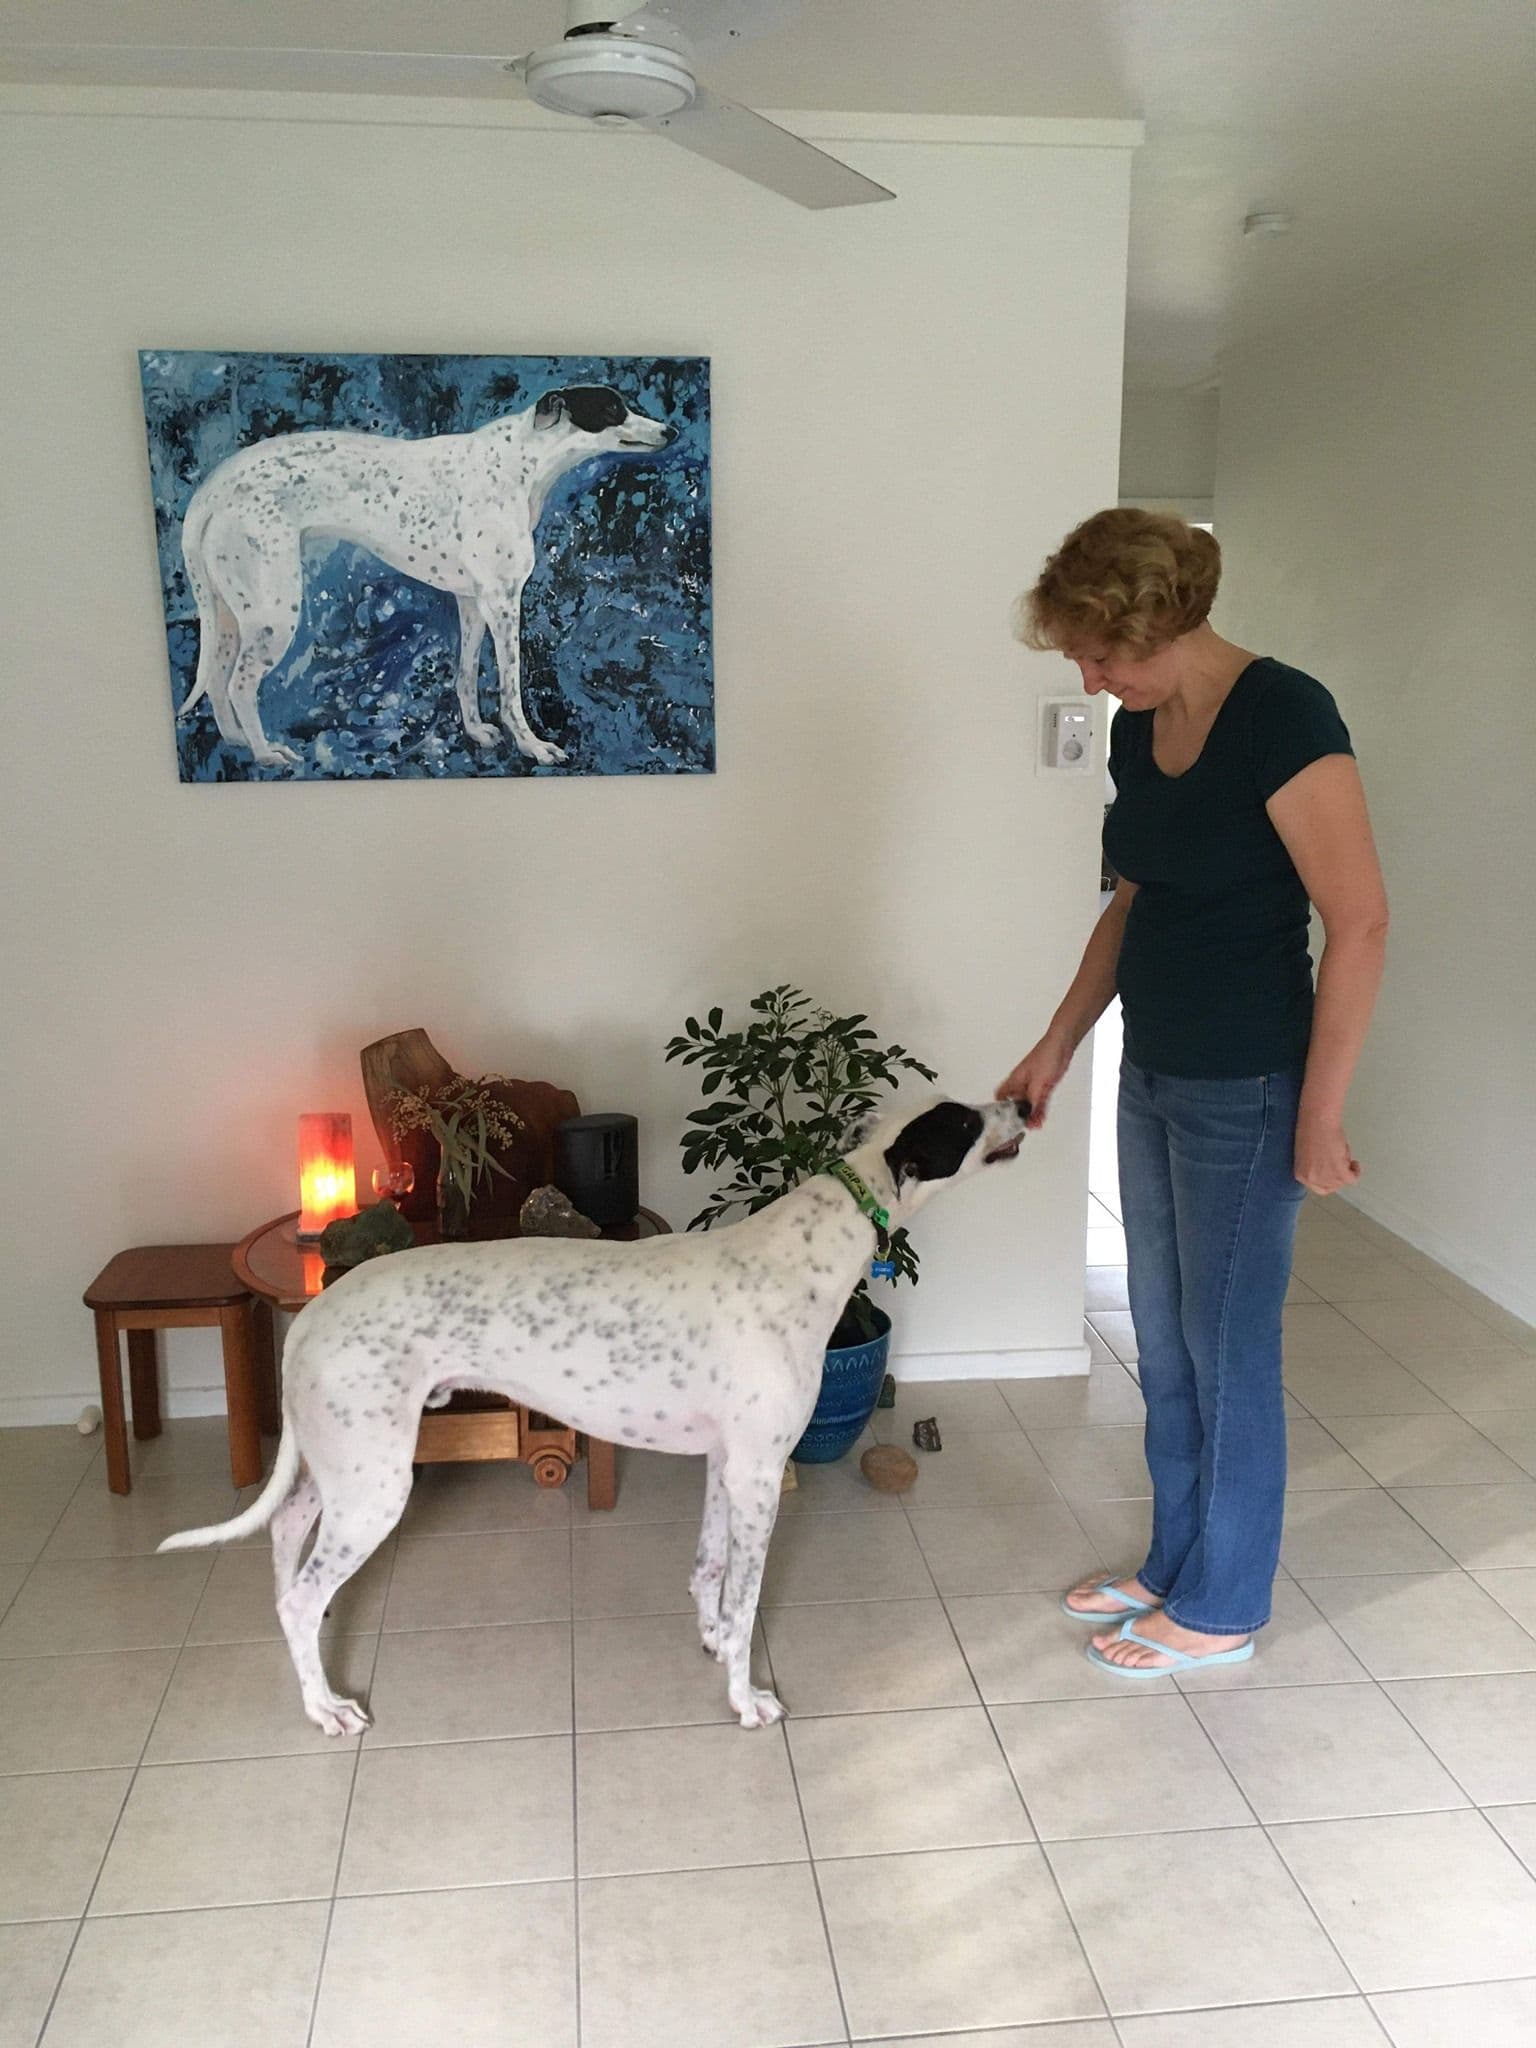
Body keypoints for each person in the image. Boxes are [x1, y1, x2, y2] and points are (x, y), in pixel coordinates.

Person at [998, 509, 1388, 1674]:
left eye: (1102, 652)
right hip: (1156, 1069)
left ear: (1162, 621)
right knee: (1162, 1345)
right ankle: (1177, 1560)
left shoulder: (1284, 715)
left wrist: (1319, 1112)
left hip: (1249, 1081)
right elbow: (1135, 900)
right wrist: (1059, 1041)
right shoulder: (1136, 731)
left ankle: (1224, 1607)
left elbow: (1359, 918)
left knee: (1228, 1352)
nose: (1089, 674)